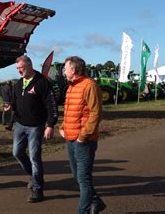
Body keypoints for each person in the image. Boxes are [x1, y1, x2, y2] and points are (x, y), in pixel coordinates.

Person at [3, 55, 58, 203]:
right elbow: (15, 101)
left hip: (36, 126)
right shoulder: (19, 83)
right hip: (20, 124)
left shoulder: (42, 83)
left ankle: (38, 189)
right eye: (17, 69)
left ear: (29, 66)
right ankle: (34, 177)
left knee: (34, 157)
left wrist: (50, 125)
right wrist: (10, 106)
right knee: (17, 153)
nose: (19, 72)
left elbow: (51, 104)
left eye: (21, 68)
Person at [59, 56, 106, 214]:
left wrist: (82, 136)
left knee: (84, 179)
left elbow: (95, 114)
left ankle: (83, 211)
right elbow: (71, 111)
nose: (63, 71)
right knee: (77, 176)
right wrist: (63, 126)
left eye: (65, 68)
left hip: (83, 141)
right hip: (70, 139)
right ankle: (96, 202)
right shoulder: (71, 86)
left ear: (73, 70)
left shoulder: (89, 85)